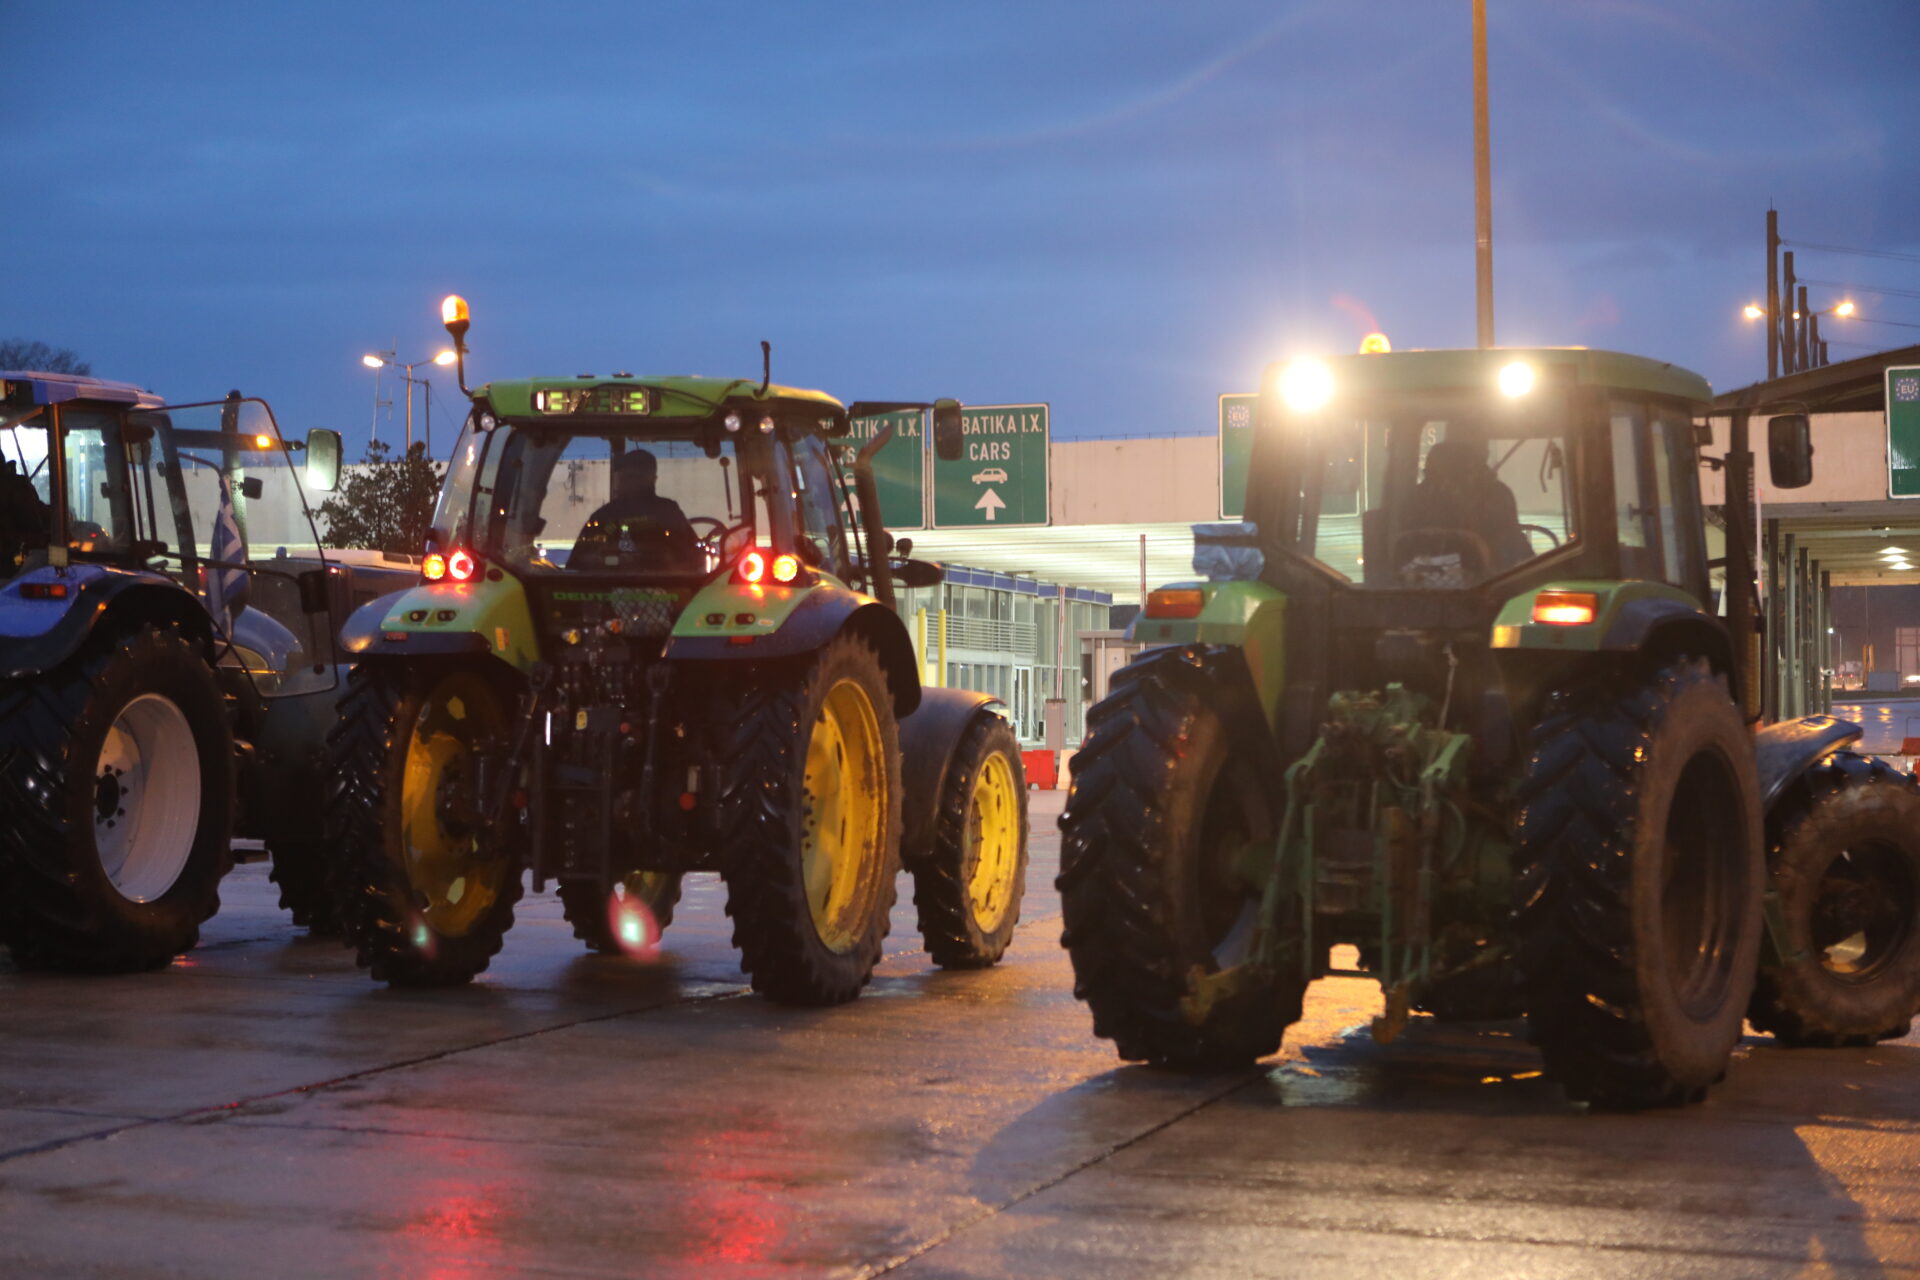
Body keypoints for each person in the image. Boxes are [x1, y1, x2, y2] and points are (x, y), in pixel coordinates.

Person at [1399, 435, 1533, 574]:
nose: (1445, 485)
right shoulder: (1417, 497)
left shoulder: (1494, 495)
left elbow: (1513, 552)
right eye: (1434, 474)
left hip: (1494, 588)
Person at [572, 448, 700, 568]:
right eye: (625, 478)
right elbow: (694, 559)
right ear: (653, 479)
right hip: (665, 589)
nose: (626, 483)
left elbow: (577, 565)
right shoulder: (668, 511)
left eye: (631, 477)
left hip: (610, 589)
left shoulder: (603, 516)